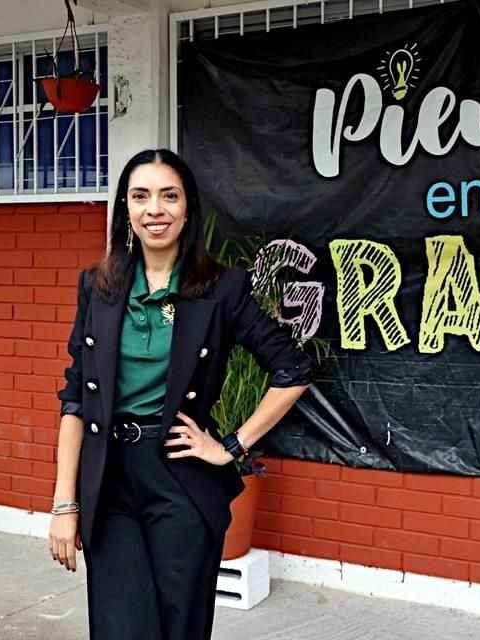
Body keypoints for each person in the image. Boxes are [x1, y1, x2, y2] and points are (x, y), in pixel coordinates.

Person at [48, 148, 312, 640]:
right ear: (125, 208)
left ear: (188, 207)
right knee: (119, 628)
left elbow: (292, 369)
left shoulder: (222, 289)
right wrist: (65, 504)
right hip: (109, 483)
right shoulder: (97, 287)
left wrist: (231, 446)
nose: (155, 210)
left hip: (180, 479)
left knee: (178, 629)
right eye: (141, 196)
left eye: (169, 196)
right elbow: (76, 400)